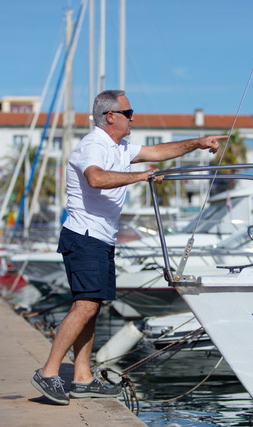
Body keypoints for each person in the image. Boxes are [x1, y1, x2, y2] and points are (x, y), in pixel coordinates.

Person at [30, 90, 227, 405]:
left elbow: (158, 152)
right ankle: (48, 371)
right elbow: (95, 178)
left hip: (101, 237)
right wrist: (141, 177)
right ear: (110, 116)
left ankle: (82, 377)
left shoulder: (119, 147)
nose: (133, 117)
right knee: (85, 306)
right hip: (84, 236)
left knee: (92, 307)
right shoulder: (92, 146)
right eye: (128, 112)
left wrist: (197, 142)